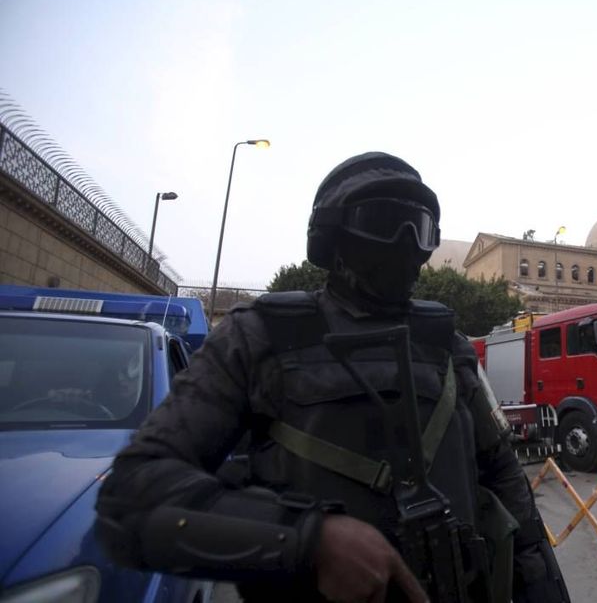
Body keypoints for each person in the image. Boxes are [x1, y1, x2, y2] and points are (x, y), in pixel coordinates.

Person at [95, 152, 571, 603]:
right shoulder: (259, 336)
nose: (406, 241)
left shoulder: (446, 344)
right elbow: (132, 499)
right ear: (332, 236)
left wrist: (543, 585)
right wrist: (306, 541)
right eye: (384, 222)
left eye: (421, 228)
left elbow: (503, 476)